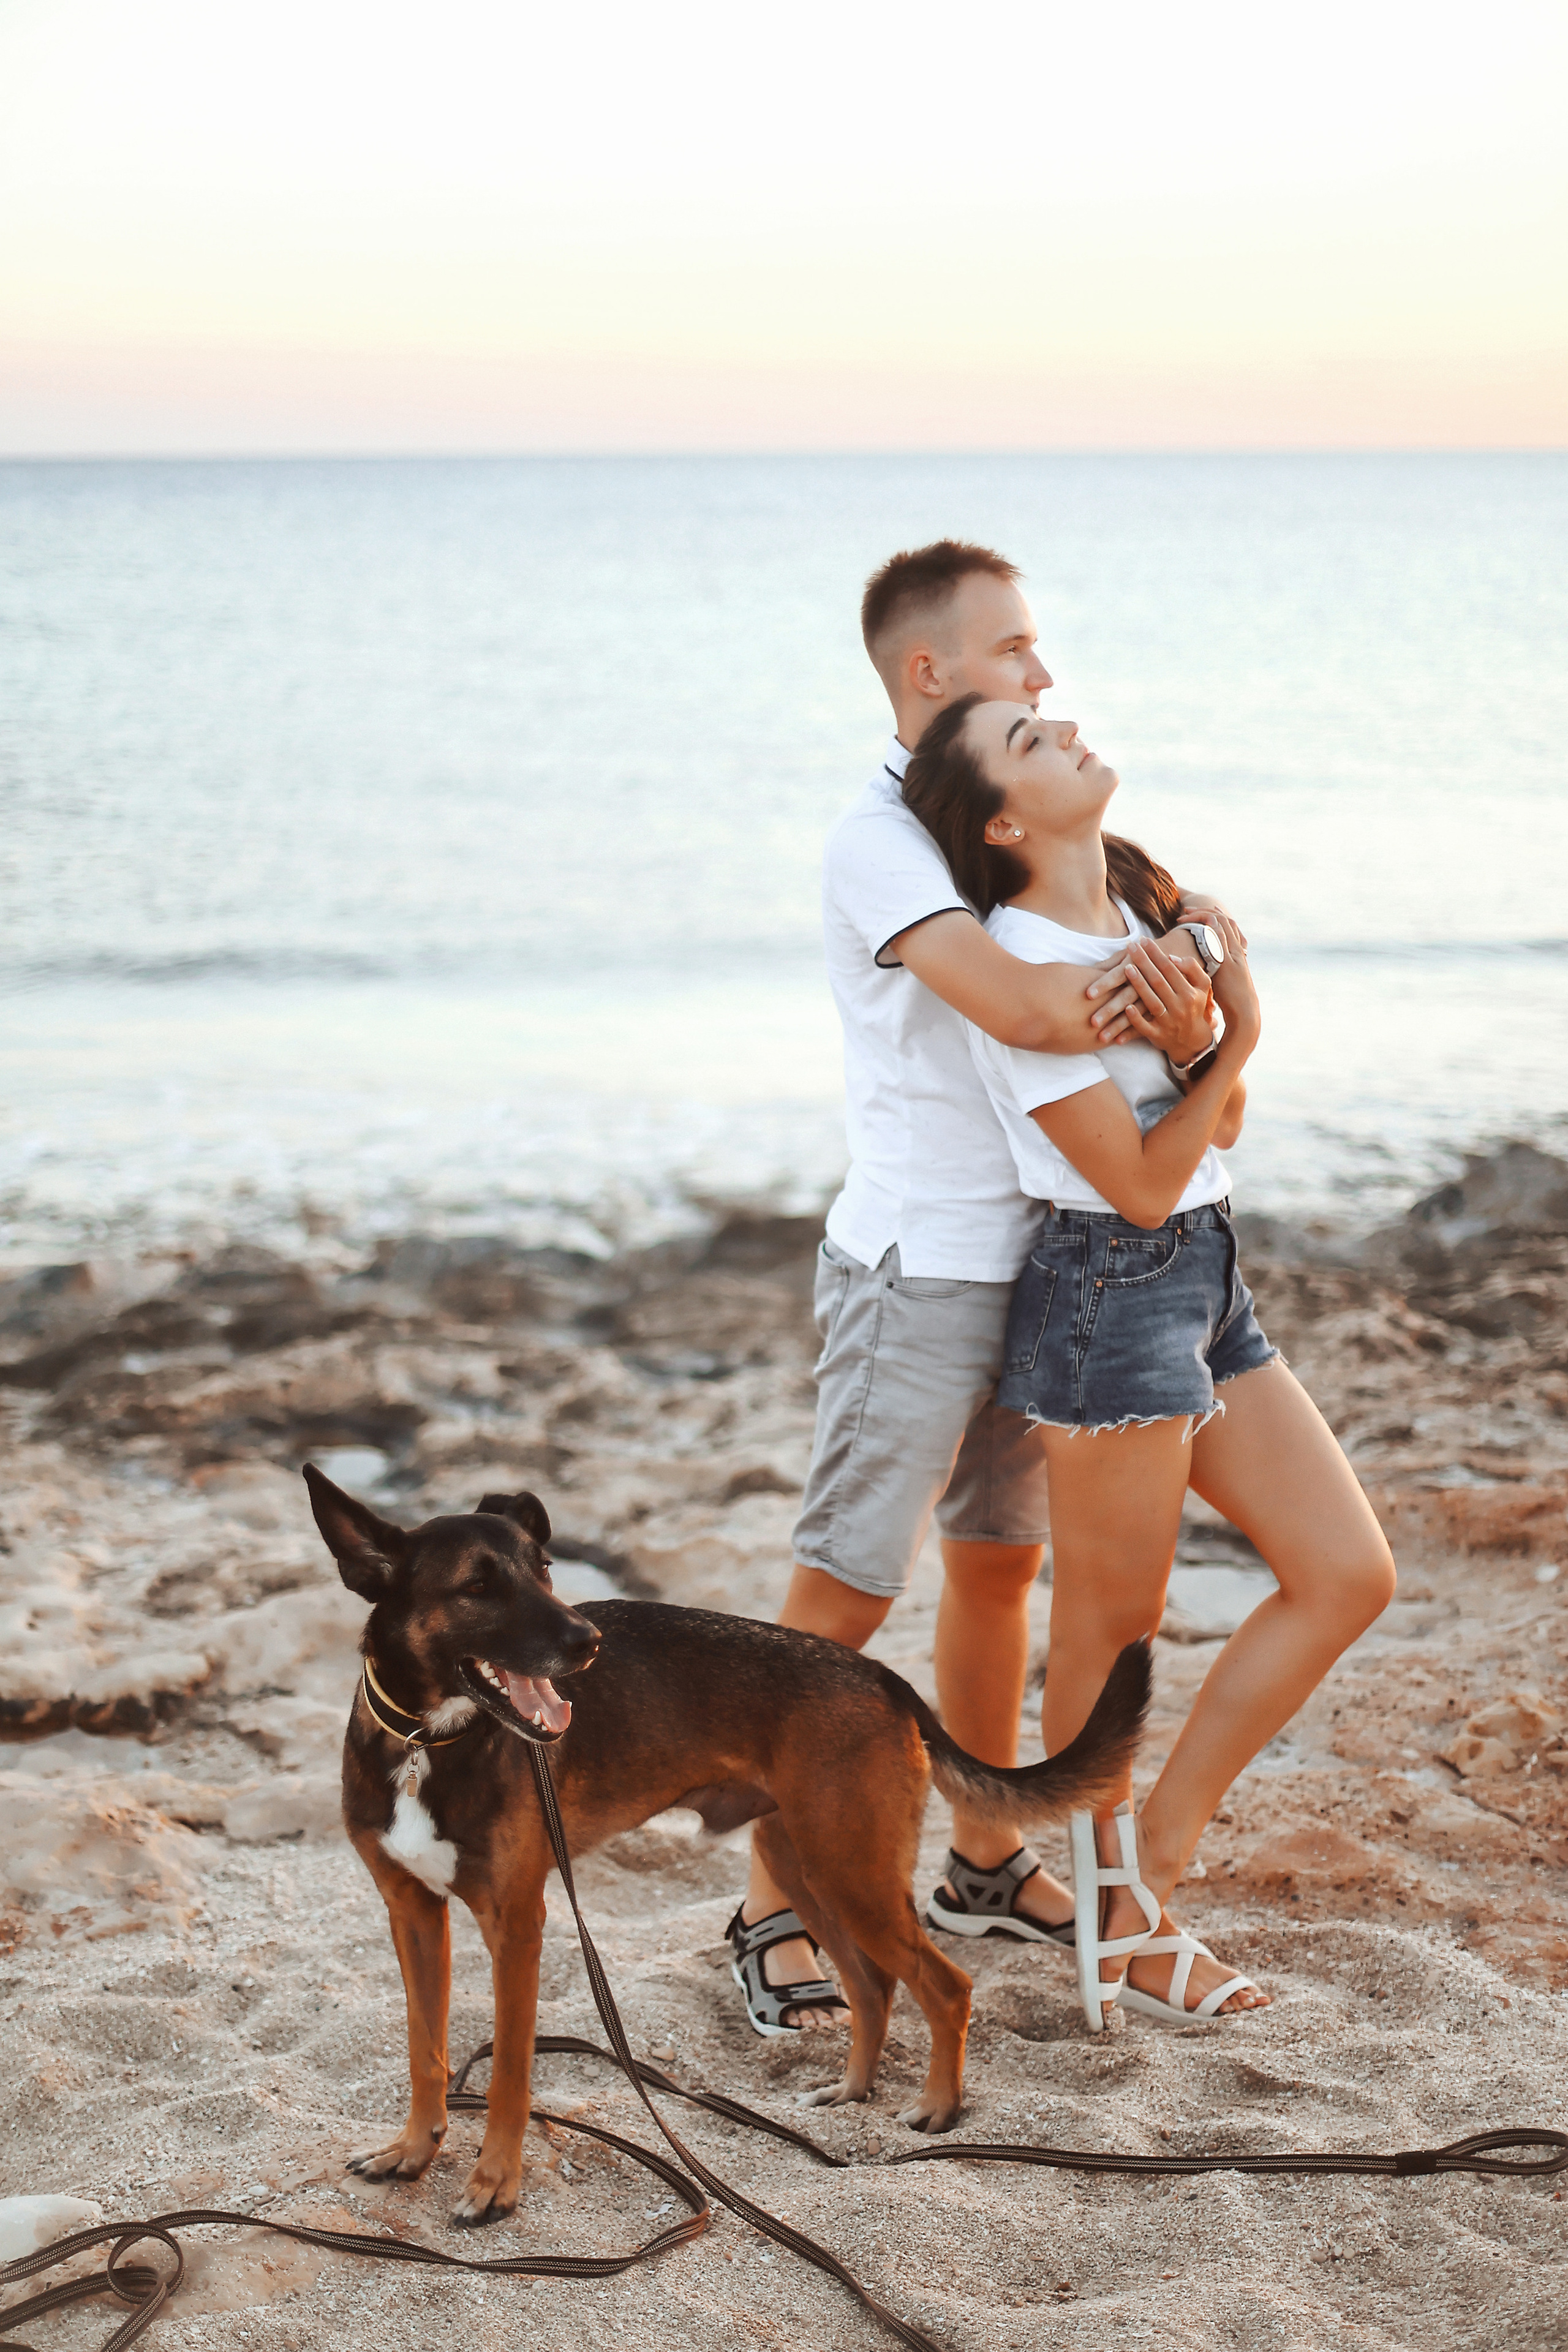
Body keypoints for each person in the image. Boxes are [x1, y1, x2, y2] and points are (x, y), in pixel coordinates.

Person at [728, 543, 1219, 2037]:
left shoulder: (1010, 798)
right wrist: (1188, 976)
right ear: (927, 673)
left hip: (1042, 1257)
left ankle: (985, 1859)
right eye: (1014, 649)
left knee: (998, 1569)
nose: (1042, 675)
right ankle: (767, 1910)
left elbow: (1153, 931)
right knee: (842, 1596)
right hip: (921, 1263)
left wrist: (1190, 954)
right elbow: (1021, 1000)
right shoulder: (878, 840)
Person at [900, 691, 1397, 2024]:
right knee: (1109, 1643)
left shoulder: (1131, 908)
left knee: (1346, 1573)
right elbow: (1125, 1185)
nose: (1058, 726)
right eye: (1024, 741)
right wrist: (1234, 1028)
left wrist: (1202, 1045)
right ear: (1001, 821)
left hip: (1204, 1273)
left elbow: (1215, 1120)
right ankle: (1121, 1923)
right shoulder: (1019, 970)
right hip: (1106, 1289)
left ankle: (1144, 1879)